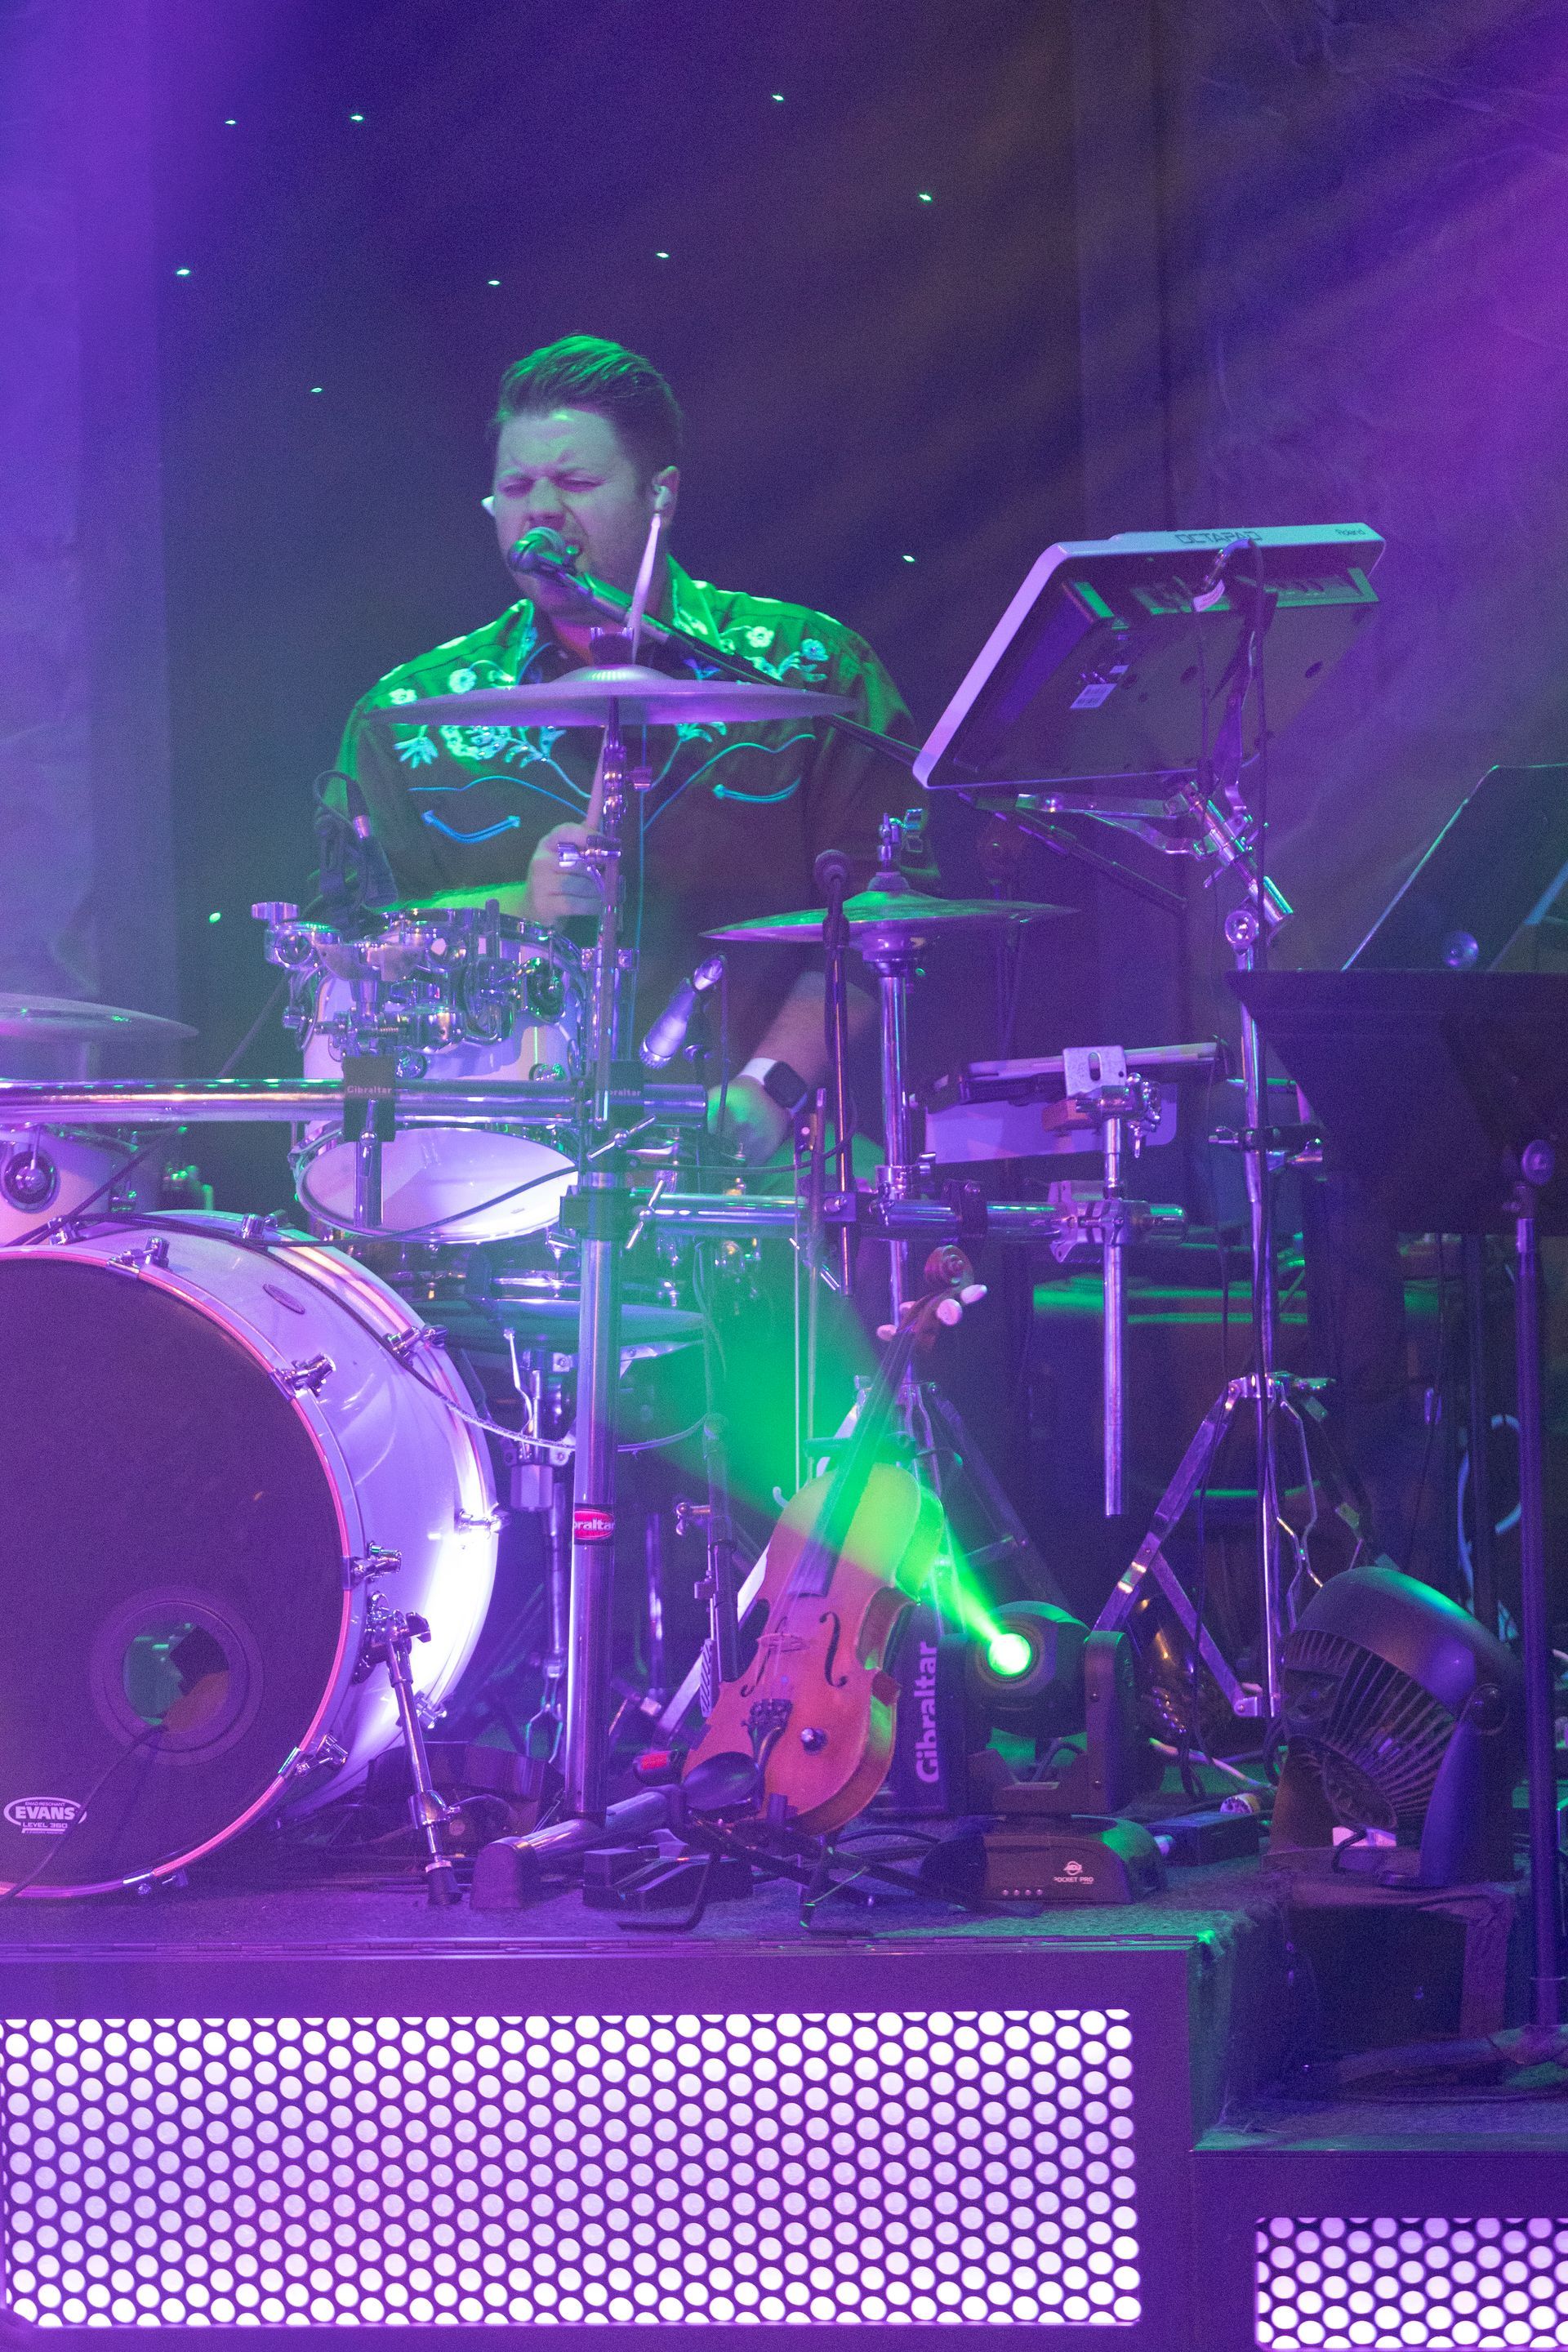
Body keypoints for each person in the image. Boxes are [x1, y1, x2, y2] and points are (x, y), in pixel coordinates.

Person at [328, 335, 915, 1164]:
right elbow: (341, 949)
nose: (541, 511)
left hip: (759, 1169)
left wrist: (770, 1088)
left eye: (575, 483)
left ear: (660, 495)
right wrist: (514, 905)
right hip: (487, 1179)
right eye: (515, 486)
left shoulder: (809, 672)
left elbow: (885, 921)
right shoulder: (408, 714)